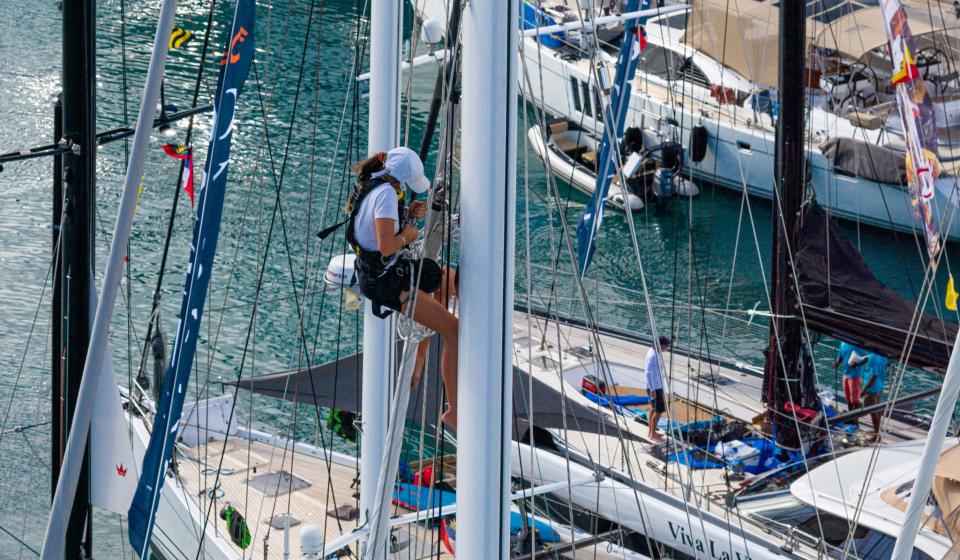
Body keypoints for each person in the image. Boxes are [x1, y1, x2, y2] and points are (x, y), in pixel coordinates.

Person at [346, 147, 459, 428]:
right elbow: (386, 246)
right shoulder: (386, 194)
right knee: (454, 331)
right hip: (387, 282)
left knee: (448, 279)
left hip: (380, 273)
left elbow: (373, 229)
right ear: (403, 179)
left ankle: (422, 350)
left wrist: (407, 214)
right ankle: (454, 410)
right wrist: (409, 235)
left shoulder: (374, 183)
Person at [644, 336, 671, 442]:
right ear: (661, 346)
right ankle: (652, 434)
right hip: (655, 387)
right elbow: (648, 373)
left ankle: (651, 432)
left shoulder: (654, 352)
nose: (667, 348)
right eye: (666, 346)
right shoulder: (653, 356)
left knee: (653, 408)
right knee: (659, 411)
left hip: (656, 386)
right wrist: (652, 389)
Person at [862, 352, 889, 440]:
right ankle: (877, 432)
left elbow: (874, 375)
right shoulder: (883, 355)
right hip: (879, 386)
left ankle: (877, 435)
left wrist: (864, 389)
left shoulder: (873, 357)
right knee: (877, 411)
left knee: (873, 412)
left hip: (871, 389)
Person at [834, 341, 868, 410]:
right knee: (848, 398)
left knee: (854, 400)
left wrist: (857, 364)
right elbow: (841, 354)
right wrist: (837, 362)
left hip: (855, 376)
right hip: (845, 374)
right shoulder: (843, 343)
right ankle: (850, 413)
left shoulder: (858, 346)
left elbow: (868, 357)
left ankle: (857, 413)